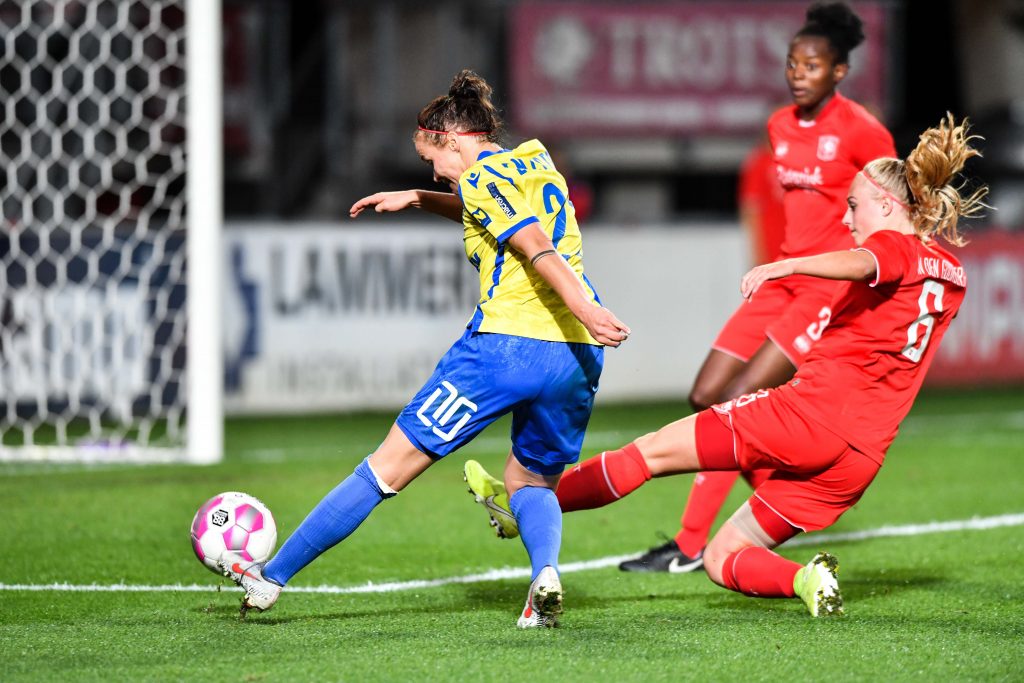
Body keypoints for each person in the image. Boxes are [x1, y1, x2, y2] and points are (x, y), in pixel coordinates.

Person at [475, 113, 987, 616]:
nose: (847, 219)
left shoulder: (892, 247)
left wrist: (787, 263)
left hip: (808, 416)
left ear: (888, 204)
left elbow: (870, 259)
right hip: (860, 458)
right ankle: (808, 578)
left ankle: (526, 504)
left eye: (854, 207)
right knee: (723, 559)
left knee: (649, 454)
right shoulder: (953, 273)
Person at [220, 69, 630, 629]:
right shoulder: (534, 160)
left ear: (454, 139)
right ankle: (545, 578)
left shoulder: (483, 177)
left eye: (430, 161)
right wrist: (417, 198)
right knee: (531, 480)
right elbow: (491, 211)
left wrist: (584, 305)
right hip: (575, 356)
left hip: (507, 348)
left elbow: (532, 243)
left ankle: (269, 578)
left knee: (384, 469)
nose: (432, 171)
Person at [616, 1, 898, 573]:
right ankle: (775, 494)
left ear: (839, 71)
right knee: (706, 394)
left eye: (812, 64)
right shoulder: (779, 127)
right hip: (782, 276)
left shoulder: (864, 131)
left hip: (823, 289)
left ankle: (693, 543)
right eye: (792, 63)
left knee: (740, 400)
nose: (798, 73)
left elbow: (895, 206)